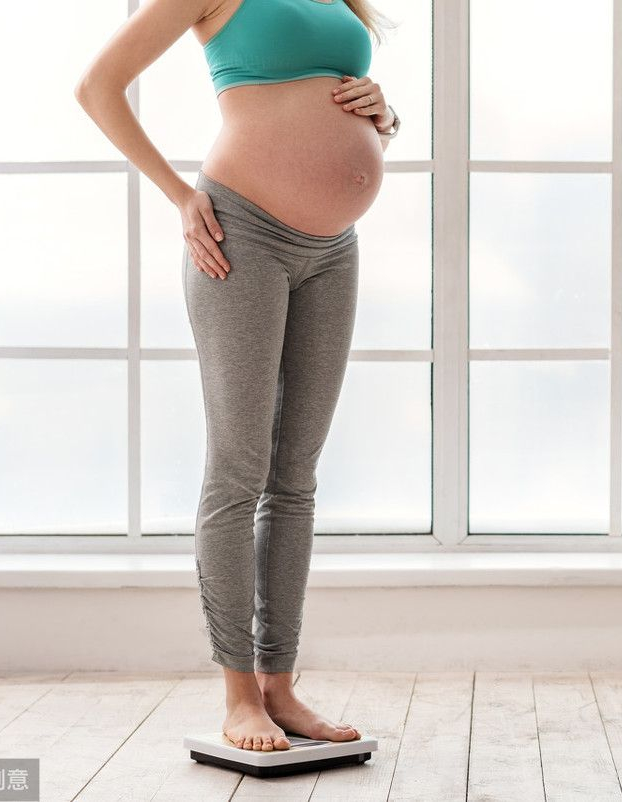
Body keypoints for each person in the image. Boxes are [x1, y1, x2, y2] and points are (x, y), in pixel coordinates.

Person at [75, 0, 400, 753]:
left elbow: (347, 100)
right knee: (238, 471)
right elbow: (98, 87)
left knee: (297, 477)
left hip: (334, 249)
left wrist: (385, 114)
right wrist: (181, 195)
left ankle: (279, 686)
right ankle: (237, 696)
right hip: (241, 236)